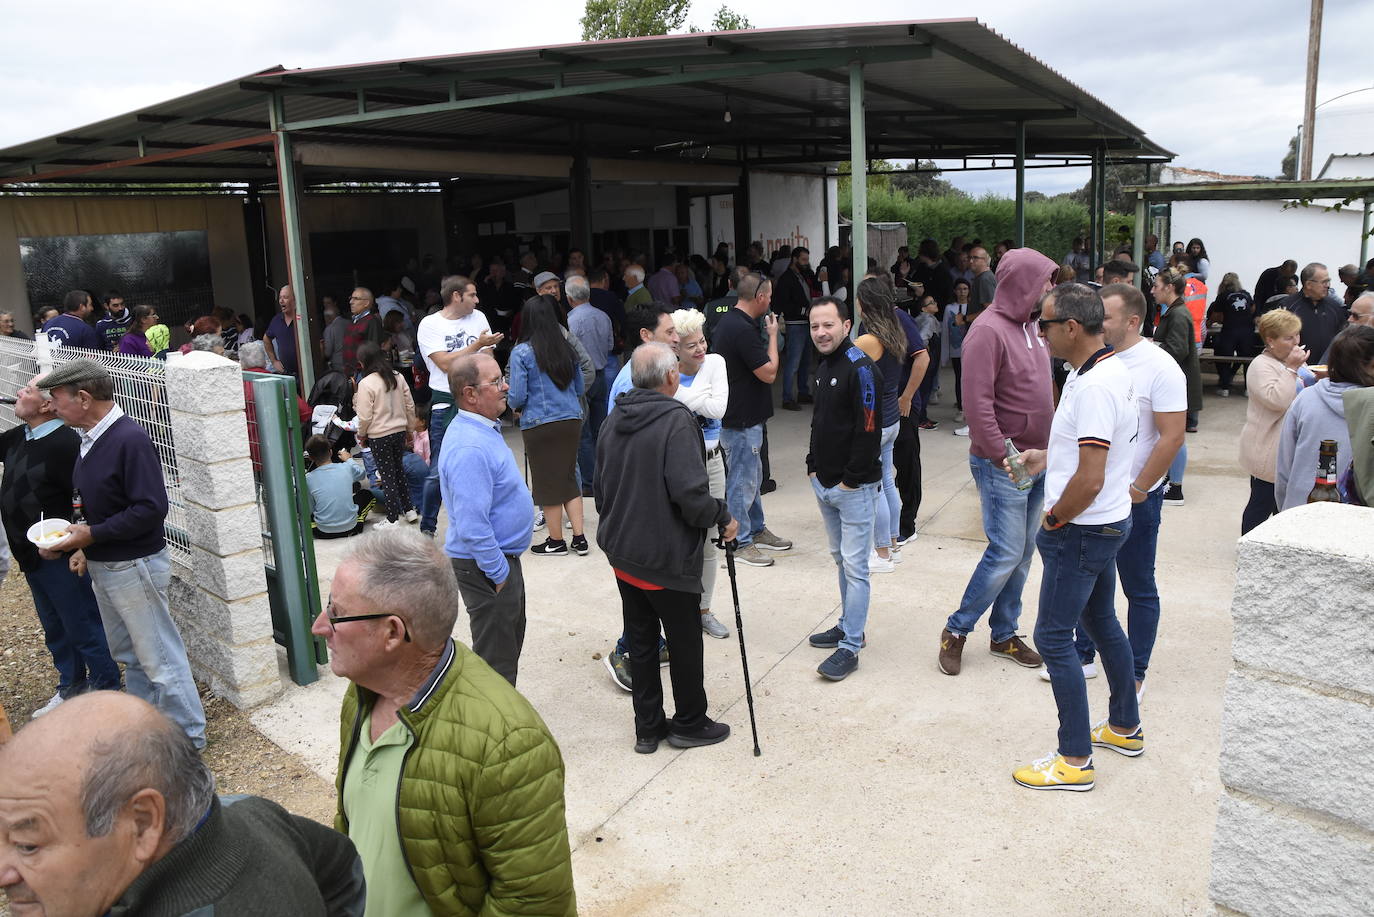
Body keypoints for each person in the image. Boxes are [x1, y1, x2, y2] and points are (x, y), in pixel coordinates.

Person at [311, 528, 575, 916]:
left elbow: (533, 905)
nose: (320, 626)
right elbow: (353, 829)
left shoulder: (509, 746)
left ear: (392, 632)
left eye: (337, 613)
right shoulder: (363, 691)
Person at [0, 692, 366, 915]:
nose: (4, 873)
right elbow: (341, 864)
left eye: (27, 845)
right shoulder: (246, 809)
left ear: (142, 824)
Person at [1009, 282, 1141, 792]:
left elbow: (1090, 478)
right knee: (1103, 621)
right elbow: (1089, 458)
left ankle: (1074, 759)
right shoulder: (1101, 371)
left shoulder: (1094, 386)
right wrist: (1049, 457)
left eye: (1043, 324)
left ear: (1069, 327)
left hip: (1083, 528)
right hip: (1103, 523)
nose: (1039, 333)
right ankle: (1125, 726)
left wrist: (1054, 519)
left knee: (1052, 637)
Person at [36, 360, 206, 749]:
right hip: (109, 562)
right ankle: (149, 733)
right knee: (132, 655)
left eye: (57, 399)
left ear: (83, 397)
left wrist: (91, 534)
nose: (52, 407)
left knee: (160, 658)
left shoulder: (127, 437)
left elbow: (150, 509)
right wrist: (82, 546)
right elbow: (98, 502)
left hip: (133, 563)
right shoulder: (92, 437)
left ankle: (189, 741)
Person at [594, 343, 736, 752]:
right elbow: (692, 499)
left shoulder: (614, 416)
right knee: (685, 640)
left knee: (641, 641)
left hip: (623, 554)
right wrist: (723, 515)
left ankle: (648, 729)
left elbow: (600, 490)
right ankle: (690, 722)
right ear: (671, 377)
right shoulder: (676, 421)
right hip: (664, 559)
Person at [1047, 284, 1185, 700]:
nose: (1098, 323)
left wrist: (1141, 488)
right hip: (1101, 503)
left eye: (1105, 316)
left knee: (1138, 586)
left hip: (1127, 499)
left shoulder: (1158, 368)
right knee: (1097, 600)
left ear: (1132, 321)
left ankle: (1134, 673)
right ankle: (1089, 661)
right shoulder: (1090, 367)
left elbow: (1171, 436)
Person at [938, 247, 1057, 677]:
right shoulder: (986, 331)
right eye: (1045, 281)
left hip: (1038, 458)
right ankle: (957, 629)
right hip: (1006, 462)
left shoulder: (1032, 327)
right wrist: (1003, 456)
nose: (1050, 289)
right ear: (1024, 282)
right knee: (1006, 551)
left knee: (1024, 553)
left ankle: (1004, 633)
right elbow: (977, 406)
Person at [1, 375, 120, 719]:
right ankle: (71, 686)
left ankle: (106, 690)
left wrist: (76, 543)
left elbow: (84, 497)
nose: (18, 392)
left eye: (27, 390)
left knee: (82, 622)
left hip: (60, 553)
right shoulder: (18, 437)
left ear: (47, 405)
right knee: (54, 624)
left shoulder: (66, 444)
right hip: (31, 555)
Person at [439, 352, 535, 685]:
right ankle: (496, 733)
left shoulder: (480, 429)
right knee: (497, 667)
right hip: (486, 566)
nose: (506, 386)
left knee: (505, 651)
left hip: (497, 563)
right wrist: (498, 573)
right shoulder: (470, 448)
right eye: (495, 382)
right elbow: (471, 524)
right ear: (470, 394)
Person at [803, 297, 883, 682]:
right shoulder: (824, 366)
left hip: (854, 488)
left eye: (828, 325)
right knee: (842, 561)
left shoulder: (861, 369)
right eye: (815, 326)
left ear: (846, 325)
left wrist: (850, 478)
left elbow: (869, 430)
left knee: (856, 567)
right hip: (826, 484)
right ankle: (848, 624)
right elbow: (821, 421)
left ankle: (850, 646)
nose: (821, 332)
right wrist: (812, 465)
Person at [713, 272, 792, 567]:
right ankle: (739, 542)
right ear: (760, 298)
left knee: (752, 477)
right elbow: (769, 372)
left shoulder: (734, 323)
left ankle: (756, 529)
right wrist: (773, 335)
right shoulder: (741, 330)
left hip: (745, 417)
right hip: (741, 420)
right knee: (741, 482)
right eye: (769, 297)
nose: (771, 302)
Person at [416, 275, 503, 537]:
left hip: (480, 396)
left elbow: (488, 358)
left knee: (489, 460)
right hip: (446, 399)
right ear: (456, 296)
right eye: (472, 295)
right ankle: (427, 527)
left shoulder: (479, 317)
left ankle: (489, 520)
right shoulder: (429, 324)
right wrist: (476, 345)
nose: (477, 300)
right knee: (439, 470)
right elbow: (445, 365)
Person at [508, 295, 587, 557]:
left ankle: (556, 541)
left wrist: (513, 406)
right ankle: (579, 538)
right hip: (571, 419)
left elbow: (517, 397)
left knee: (546, 484)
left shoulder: (522, 351)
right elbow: (578, 387)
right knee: (567, 478)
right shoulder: (567, 348)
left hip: (540, 423)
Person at [1274, 325, 1374, 511]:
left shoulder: (1306, 397)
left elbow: (1284, 467)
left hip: (1299, 510)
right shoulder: (1370, 408)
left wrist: (1285, 510)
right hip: (1357, 519)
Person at [852, 277, 912, 572]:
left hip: (875, 423)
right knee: (887, 482)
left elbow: (844, 370)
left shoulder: (867, 340)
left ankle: (883, 554)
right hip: (891, 419)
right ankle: (893, 544)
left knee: (873, 487)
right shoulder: (895, 332)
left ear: (865, 305)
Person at [1238, 309, 1314, 533]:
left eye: (1297, 335)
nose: (1296, 342)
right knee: (1262, 503)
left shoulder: (1289, 362)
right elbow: (1277, 400)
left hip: (1289, 446)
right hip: (1268, 447)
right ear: (1270, 340)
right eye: (1289, 337)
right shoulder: (1261, 366)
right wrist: (1291, 369)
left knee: (1283, 505)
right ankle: (1249, 546)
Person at [354, 342, 418, 528]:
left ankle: (392, 519)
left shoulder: (366, 383)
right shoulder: (397, 376)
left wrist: (362, 434)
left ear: (364, 362)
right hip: (399, 431)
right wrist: (409, 429)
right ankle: (409, 510)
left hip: (379, 435)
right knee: (398, 471)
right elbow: (409, 405)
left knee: (387, 476)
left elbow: (365, 416)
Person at [1153, 266, 1203, 504]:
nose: (1152, 291)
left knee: (1175, 436)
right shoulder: (1173, 311)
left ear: (1169, 288)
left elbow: (1177, 350)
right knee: (1171, 434)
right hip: (1176, 383)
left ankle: (1176, 487)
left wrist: (1152, 348)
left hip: (1179, 383)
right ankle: (1171, 479)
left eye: (1156, 286)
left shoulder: (1178, 314)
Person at [567, 275, 614, 494]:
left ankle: (590, 483)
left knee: (584, 435)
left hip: (582, 378)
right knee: (600, 429)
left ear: (569, 298)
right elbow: (611, 344)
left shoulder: (570, 321)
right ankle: (604, 477)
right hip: (601, 374)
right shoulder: (603, 316)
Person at [1280, 262, 1349, 366]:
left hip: (1328, 368)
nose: (1328, 286)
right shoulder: (1289, 306)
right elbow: (1279, 336)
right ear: (1308, 284)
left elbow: (1343, 337)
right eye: (1324, 282)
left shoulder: (1335, 307)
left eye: (1328, 281)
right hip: (1296, 366)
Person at [305, 435, 373, 538]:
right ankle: (357, 519)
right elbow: (362, 474)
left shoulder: (308, 478)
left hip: (322, 532)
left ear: (310, 458)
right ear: (331, 452)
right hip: (352, 528)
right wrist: (349, 460)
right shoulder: (346, 467)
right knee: (367, 494)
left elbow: (310, 507)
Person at [774, 246, 815, 410]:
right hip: (795, 324)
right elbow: (784, 303)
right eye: (803, 260)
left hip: (805, 323)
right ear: (794, 259)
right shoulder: (786, 279)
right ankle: (787, 397)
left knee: (806, 361)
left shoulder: (802, 276)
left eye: (807, 260)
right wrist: (804, 311)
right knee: (793, 363)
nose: (806, 263)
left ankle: (803, 392)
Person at [1209, 273, 1255, 396]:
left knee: (1224, 357)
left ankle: (1225, 388)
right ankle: (1247, 389)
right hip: (1247, 330)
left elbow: (1216, 315)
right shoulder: (1246, 294)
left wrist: (1209, 323)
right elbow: (1252, 309)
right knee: (1247, 359)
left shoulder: (1223, 296)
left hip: (1230, 330)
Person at [944, 278, 972, 429]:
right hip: (956, 349)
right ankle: (961, 408)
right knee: (959, 377)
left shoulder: (973, 307)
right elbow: (946, 332)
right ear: (955, 291)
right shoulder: (950, 308)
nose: (962, 292)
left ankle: (969, 407)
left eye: (965, 289)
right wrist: (945, 353)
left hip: (972, 349)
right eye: (959, 289)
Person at [262, 284, 300, 377]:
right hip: (286, 374)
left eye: (285, 297)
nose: (281, 301)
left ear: (294, 300)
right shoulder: (276, 320)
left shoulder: (301, 318)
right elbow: (266, 338)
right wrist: (274, 361)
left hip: (305, 374)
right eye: (280, 298)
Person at [968, 246, 996, 317]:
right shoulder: (981, 277)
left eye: (975, 258)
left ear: (985, 260)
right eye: (970, 257)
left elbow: (990, 310)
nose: (971, 261)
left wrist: (966, 318)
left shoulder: (985, 279)